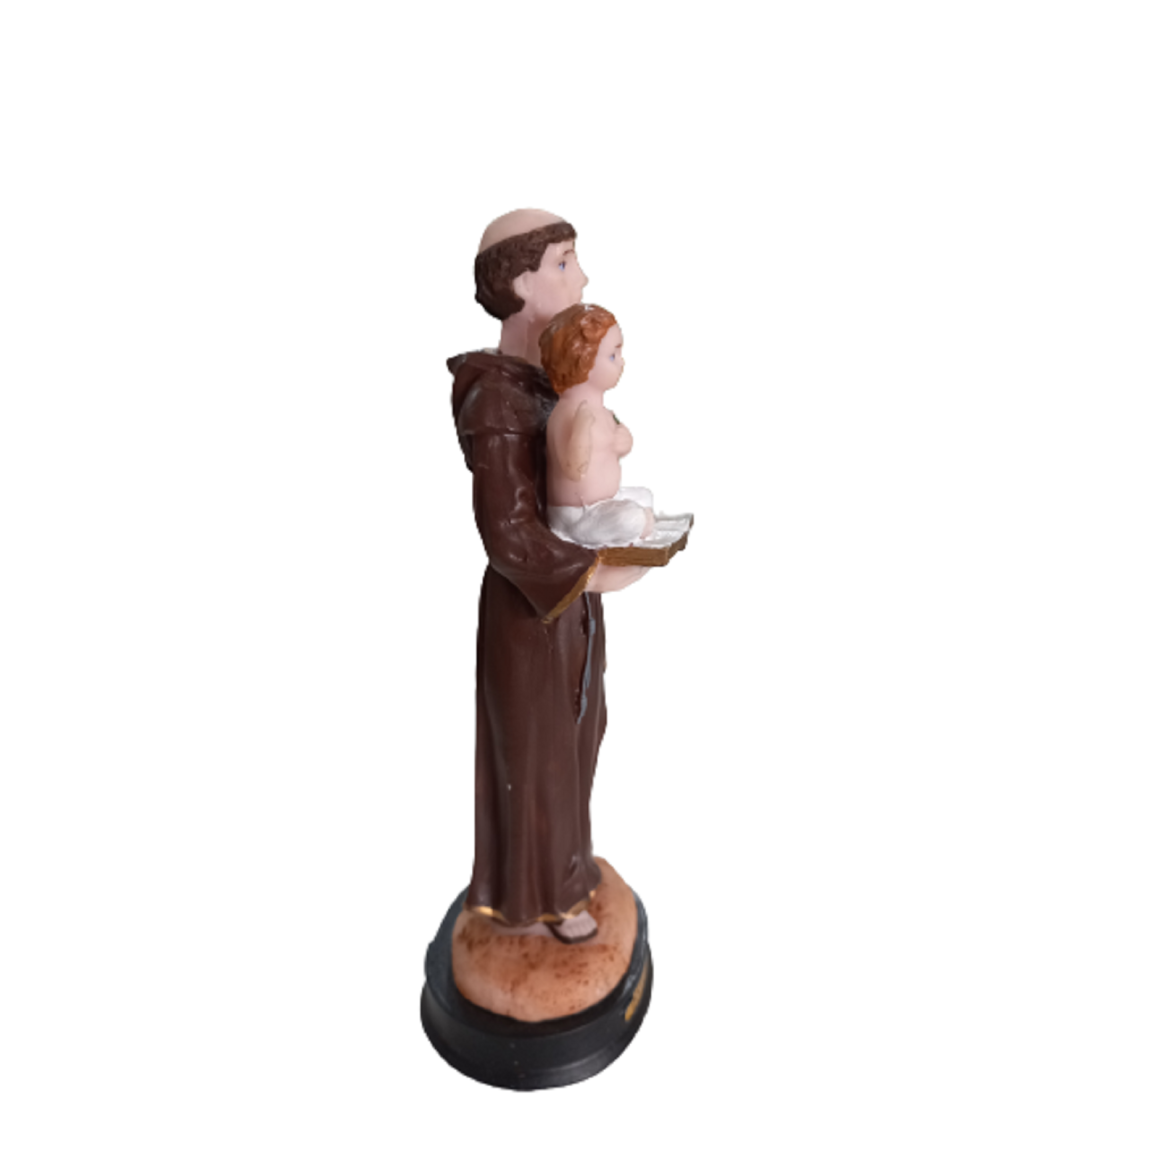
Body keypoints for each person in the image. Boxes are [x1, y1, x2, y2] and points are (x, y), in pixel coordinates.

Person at [448, 210, 645, 943]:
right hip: (533, 608)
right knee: (538, 759)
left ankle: (564, 876)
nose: (581, 277)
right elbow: (507, 532)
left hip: (565, 598)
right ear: (522, 283)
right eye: (564, 263)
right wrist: (587, 574)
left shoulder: (543, 384)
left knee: (577, 735)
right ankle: (540, 903)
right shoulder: (497, 399)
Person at [540, 303, 657, 548]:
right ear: (583, 362)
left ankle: (631, 523)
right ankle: (626, 527)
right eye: (613, 356)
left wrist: (623, 442)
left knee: (645, 496)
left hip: (606, 502)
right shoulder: (567, 414)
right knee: (632, 518)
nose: (621, 362)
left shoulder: (603, 412)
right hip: (578, 515)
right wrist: (581, 431)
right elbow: (574, 469)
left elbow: (616, 446)